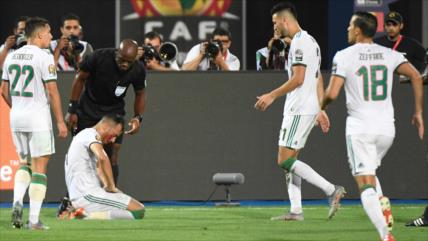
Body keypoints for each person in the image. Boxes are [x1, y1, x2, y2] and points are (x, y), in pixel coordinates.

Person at [319, 11, 424, 241]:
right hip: (387, 130)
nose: (347, 29)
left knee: (364, 184)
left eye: (349, 25)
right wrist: (418, 111)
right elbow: (416, 76)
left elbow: (333, 93)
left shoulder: (344, 55)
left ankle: (385, 235)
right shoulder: (389, 53)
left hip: (361, 129)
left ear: (357, 30)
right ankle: (382, 200)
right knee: (370, 170)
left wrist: (321, 106)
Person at [254, 2, 345, 221]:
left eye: (276, 23)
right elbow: (317, 76)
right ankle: (296, 211)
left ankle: (331, 189)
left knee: (284, 160)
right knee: (292, 162)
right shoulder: (309, 41)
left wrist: (271, 95)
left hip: (299, 109)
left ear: (285, 20)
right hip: (307, 107)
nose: (274, 27)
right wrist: (321, 108)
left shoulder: (300, 44)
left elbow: (299, 79)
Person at [58, 39, 146, 216]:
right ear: (116, 53)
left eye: (129, 62)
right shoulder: (98, 57)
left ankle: (109, 198)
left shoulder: (137, 69)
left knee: (112, 156)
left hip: (114, 116)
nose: (124, 64)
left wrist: (138, 117)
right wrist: (72, 109)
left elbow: (140, 93)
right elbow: (80, 78)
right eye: (122, 59)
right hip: (88, 112)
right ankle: (70, 201)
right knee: (82, 156)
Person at [1, 16, 68, 230]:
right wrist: (60, 121)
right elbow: (52, 90)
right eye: (49, 32)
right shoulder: (44, 56)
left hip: (16, 116)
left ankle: (17, 202)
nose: (51, 36)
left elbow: (3, 90)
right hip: (38, 117)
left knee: (24, 163)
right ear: (39, 34)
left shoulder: (11, 56)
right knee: (39, 169)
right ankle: (33, 220)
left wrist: (18, 108)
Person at [63, 114, 145, 220]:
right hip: (87, 195)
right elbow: (102, 158)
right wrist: (111, 186)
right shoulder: (90, 135)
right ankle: (83, 216)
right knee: (138, 210)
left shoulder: (85, 137)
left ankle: (82, 214)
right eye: (114, 135)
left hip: (84, 195)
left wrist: (107, 186)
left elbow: (99, 166)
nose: (113, 140)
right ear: (105, 127)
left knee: (122, 210)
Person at [374, 11, 426, 82]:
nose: (391, 28)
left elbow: (425, 61)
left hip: (404, 87)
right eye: (388, 25)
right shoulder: (376, 44)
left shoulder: (412, 45)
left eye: (395, 25)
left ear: (401, 26)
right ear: (384, 26)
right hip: (381, 83)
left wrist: (417, 73)